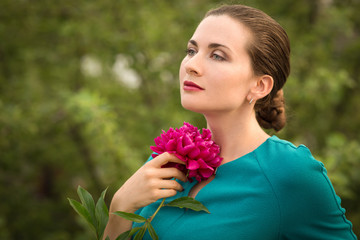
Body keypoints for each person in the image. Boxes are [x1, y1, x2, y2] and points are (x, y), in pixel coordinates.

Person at [104, 4, 357, 240]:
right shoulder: (168, 160)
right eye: (191, 51)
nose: (191, 65)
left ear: (259, 85)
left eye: (217, 55)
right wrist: (119, 208)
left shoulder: (290, 173)